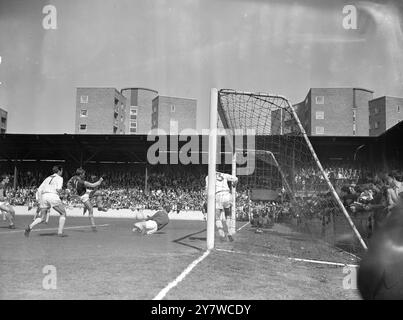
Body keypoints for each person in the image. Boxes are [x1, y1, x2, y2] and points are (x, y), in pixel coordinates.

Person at [24, 166, 67, 237]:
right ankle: (60, 232)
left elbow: (39, 189)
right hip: (52, 196)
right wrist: (65, 192)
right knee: (63, 213)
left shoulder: (47, 178)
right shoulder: (59, 178)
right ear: (59, 171)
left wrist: (39, 200)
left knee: (42, 217)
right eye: (62, 170)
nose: (62, 172)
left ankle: (30, 226)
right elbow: (58, 190)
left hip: (44, 196)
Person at [205, 171, 238, 242]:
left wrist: (208, 198)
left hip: (218, 195)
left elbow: (207, 189)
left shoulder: (208, 176)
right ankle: (229, 232)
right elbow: (236, 179)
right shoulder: (224, 174)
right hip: (227, 195)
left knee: (217, 217)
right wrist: (234, 185)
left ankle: (222, 234)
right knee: (228, 215)